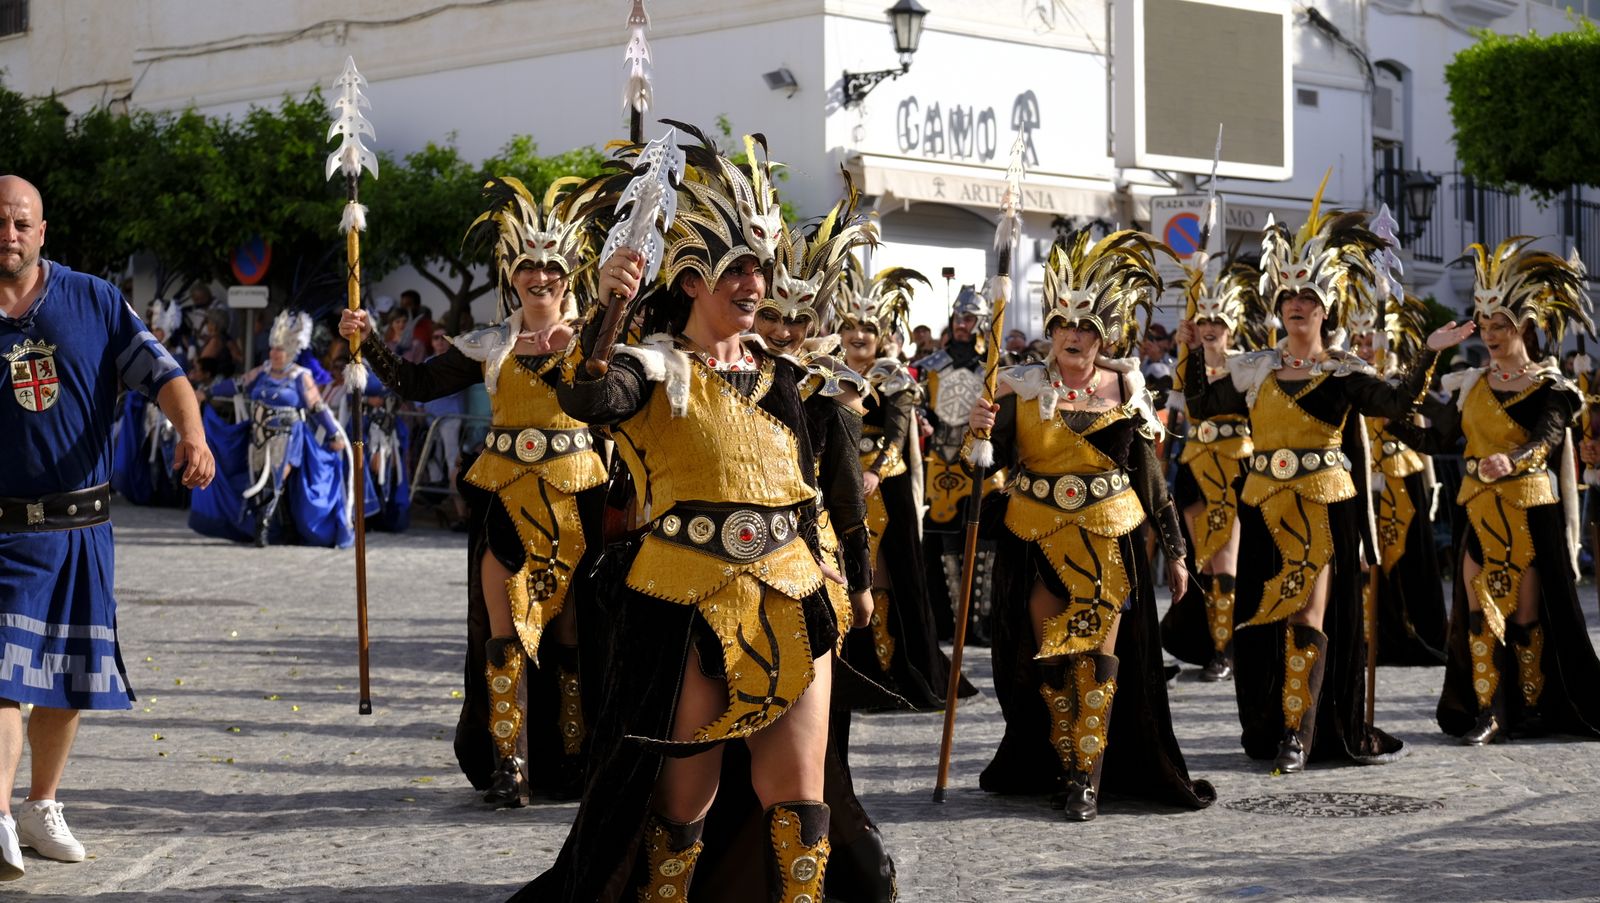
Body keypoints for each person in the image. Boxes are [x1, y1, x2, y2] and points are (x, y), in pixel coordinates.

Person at [519, 127, 858, 902]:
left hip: (791, 595)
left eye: (759, 268)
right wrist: (609, 308)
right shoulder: (652, 366)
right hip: (684, 598)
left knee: (801, 799)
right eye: (736, 267)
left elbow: (808, 492)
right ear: (694, 276)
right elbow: (589, 395)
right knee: (679, 803)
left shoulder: (782, 378)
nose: (753, 282)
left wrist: (843, 580)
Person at [341, 176, 607, 805]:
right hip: (503, 494)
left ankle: (572, 758)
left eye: (551, 266)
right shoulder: (490, 343)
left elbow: (624, 398)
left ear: (570, 274)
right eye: (527, 266)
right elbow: (415, 381)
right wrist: (370, 338)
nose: (539, 277)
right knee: (501, 625)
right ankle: (507, 764)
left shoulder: (599, 338)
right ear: (510, 275)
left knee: (570, 630)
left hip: (574, 496)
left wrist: (596, 345)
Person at [1179, 186, 1459, 773]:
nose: (1297, 304)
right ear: (1278, 307)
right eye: (1289, 296)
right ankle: (1275, 721)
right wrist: (1191, 351)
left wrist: (1427, 353)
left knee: (1308, 613)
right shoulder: (1254, 367)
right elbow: (1203, 406)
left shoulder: (1341, 370)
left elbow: (1394, 401)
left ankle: (1297, 734)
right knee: (1269, 619)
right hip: (1261, 504)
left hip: (1325, 504)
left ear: (1324, 308)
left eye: (1308, 296)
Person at [0, 174, 214, 881]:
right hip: (2, 529)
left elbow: (166, 374)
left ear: (43, 229)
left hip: (81, 527)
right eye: (0, 222)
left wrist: (193, 434)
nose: (10, 234)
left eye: (21, 223)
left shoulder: (93, 299)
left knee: (65, 677)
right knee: (4, 673)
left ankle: (40, 806)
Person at [968, 228, 1214, 821]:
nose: (1073, 335)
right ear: (1051, 328)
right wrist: (977, 431)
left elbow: (1149, 476)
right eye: (1062, 323)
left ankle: (1086, 777)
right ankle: (1062, 763)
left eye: (1086, 326)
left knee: (1100, 658)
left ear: (1103, 333)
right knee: (1052, 657)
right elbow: (988, 462)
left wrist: (1176, 551)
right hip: (1036, 535)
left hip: (1110, 532)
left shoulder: (1127, 385)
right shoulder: (1019, 385)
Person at [1392, 239, 1600, 744]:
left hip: (1529, 511)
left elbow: (1548, 437)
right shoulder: (1471, 383)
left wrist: (1517, 457)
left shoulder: (1552, 387)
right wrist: (1423, 363)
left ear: (1523, 326)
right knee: (1479, 608)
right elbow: (1435, 435)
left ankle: (1528, 707)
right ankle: (1488, 710)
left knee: (1526, 615)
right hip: (1478, 509)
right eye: (1484, 325)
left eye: (1499, 325)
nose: (1489, 334)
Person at [837, 265, 975, 710]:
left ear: (881, 334)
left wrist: (875, 471)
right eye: (850, 326)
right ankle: (852, 670)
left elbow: (897, 434)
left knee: (884, 576)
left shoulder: (893, 377)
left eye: (868, 328)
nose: (859, 335)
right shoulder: (823, 374)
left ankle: (892, 669)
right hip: (837, 487)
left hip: (884, 486)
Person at [1160, 261, 1266, 681]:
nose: (1210, 327)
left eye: (1217, 321)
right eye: (1202, 319)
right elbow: (1180, 409)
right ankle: (1209, 645)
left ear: (1231, 326)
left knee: (1228, 558)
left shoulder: (1248, 364)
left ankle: (1227, 649)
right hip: (1195, 464)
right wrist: (1185, 353)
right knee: (1203, 558)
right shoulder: (1187, 364)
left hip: (1236, 463)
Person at [190, 311, 351, 548]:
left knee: (273, 480)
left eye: (280, 350)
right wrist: (207, 393)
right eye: (273, 348)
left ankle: (262, 529)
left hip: (287, 437)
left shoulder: (300, 376)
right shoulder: (262, 372)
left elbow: (317, 407)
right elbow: (237, 385)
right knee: (258, 479)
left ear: (291, 351)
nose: (274, 353)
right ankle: (281, 528)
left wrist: (333, 434)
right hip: (258, 434)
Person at [1348, 292, 1448, 665]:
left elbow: (1424, 423)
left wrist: (1430, 482)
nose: (1362, 344)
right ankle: (1367, 634)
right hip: (1360, 479)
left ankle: (1412, 632)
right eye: (1355, 338)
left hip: (1400, 478)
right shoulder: (1344, 378)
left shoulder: (1400, 381)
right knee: (1363, 559)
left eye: (1368, 338)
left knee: (1404, 557)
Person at [914, 285, 1005, 644]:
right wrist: (919, 417)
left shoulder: (995, 366)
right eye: (957, 318)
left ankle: (983, 621)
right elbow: (917, 402)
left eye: (968, 318)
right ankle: (954, 623)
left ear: (982, 323)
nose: (962, 325)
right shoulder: (931, 365)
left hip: (983, 462)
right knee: (947, 544)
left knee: (985, 544)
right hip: (942, 463)